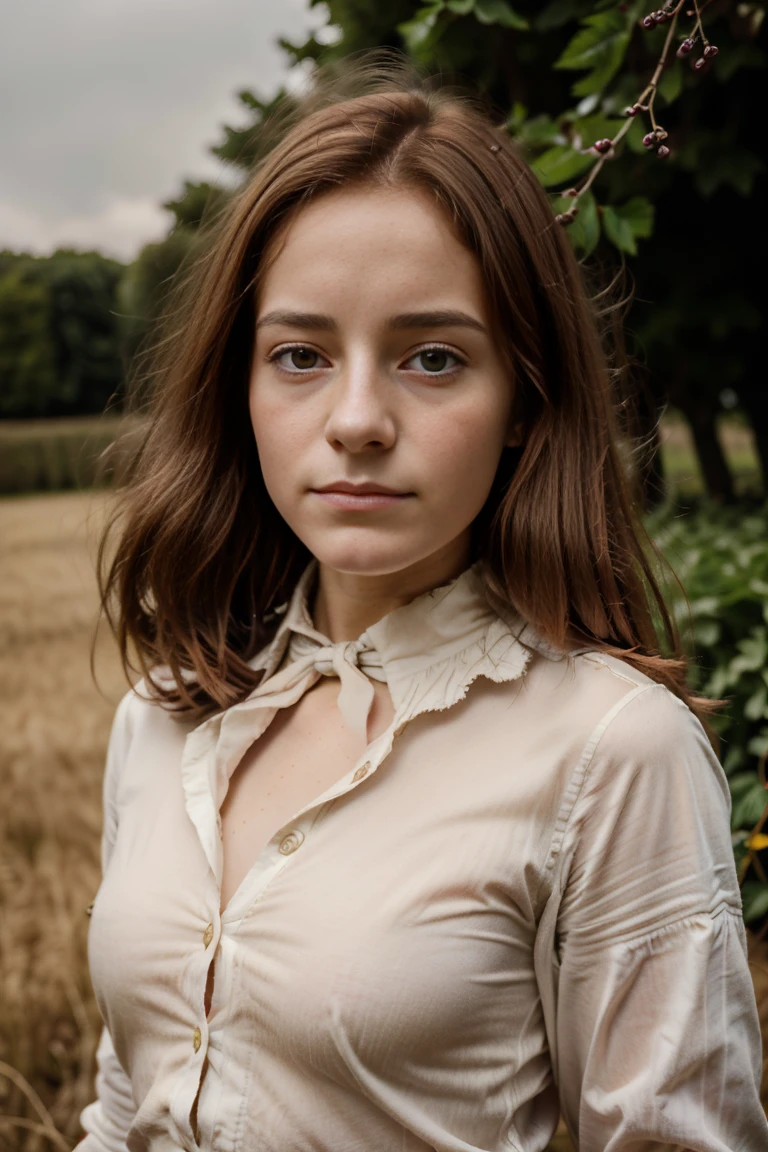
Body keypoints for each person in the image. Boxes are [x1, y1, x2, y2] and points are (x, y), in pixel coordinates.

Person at [77, 53, 766, 1152]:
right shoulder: (166, 720)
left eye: (433, 358)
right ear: (238, 388)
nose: (356, 418)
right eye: (299, 353)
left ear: (527, 403)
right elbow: (126, 1111)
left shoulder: (614, 752)